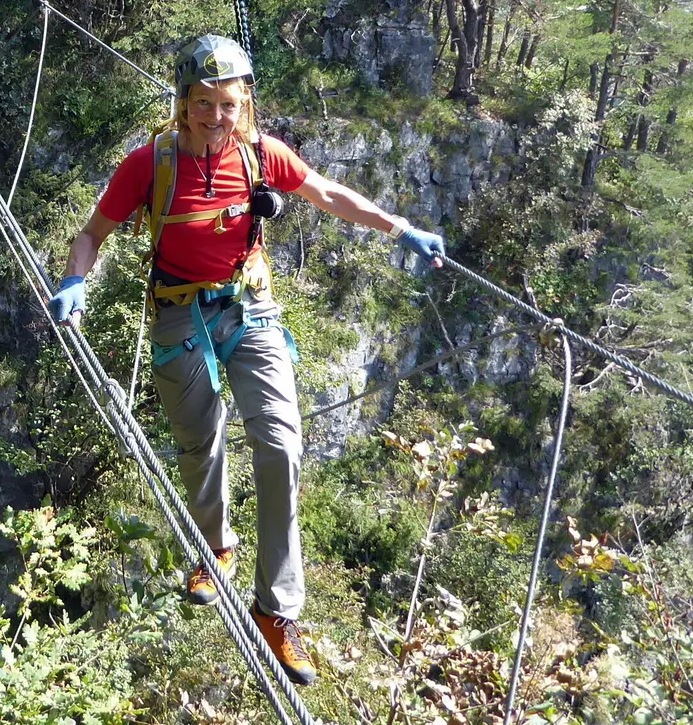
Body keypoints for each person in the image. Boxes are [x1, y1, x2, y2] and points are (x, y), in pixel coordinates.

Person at [46, 35, 446, 687]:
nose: (215, 116)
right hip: (179, 310)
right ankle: (215, 547)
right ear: (182, 104)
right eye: (202, 103)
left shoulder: (260, 155)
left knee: (281, 446)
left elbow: (327, 193)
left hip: (250, 306)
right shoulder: (150, 163)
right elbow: (92, 233)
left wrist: (401, 228)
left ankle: (277, 611)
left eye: (227, 103)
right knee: (199, 446)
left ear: (245, 102)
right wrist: (75, 281)